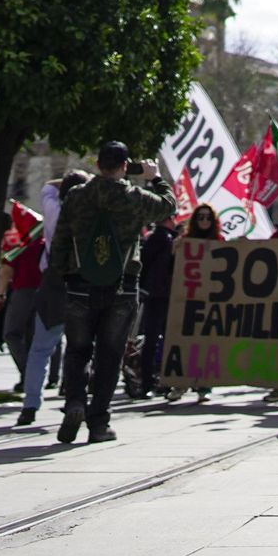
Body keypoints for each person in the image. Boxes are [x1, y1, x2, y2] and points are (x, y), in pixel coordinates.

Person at [45, 142, 175, 444]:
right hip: (121, 287)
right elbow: (168, 206)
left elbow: (61, 241)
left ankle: (75, 402)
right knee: (110, 356)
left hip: (80, 286)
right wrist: (155, 177)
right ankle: (98, 422)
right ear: (124, 165)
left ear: (99, 163)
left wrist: (62, 277)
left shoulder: (77, 196)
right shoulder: (133, 197)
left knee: (77, 351)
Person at [17, 170, 92, 427]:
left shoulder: (52, 208)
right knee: (80, 348)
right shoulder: (89, 216)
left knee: (40, 348)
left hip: (52, 282)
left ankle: (30, 405)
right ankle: (74, 398)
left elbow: (48, 185)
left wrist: (71, 182)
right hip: (81, 283)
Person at [170, 203, 223, 405]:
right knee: (182, 341)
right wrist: (175, 251)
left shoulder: (219, 242)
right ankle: (179, 384)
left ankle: (204, 387)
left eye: (207, 217)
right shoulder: (184, 242)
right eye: (200, 217)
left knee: (206, 344)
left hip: (209, 301)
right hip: (186, 300)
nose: (204, 221)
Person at [0, 201, 46, 393]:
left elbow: (6, 270)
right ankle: (34, 377)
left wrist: (0, 294)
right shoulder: (45, 244)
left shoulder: (18, 246)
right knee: (33, 337)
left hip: (23, 291)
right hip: (43, 293)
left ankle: (28, 373)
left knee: (11, 333)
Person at [137, 210, 179, 396]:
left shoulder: (169, 238)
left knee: (162, 338)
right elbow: (147, 264)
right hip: (158, 294)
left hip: (164, 294)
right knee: (154, 338)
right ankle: (149, 381)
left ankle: (162, 378)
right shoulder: (159, 238)